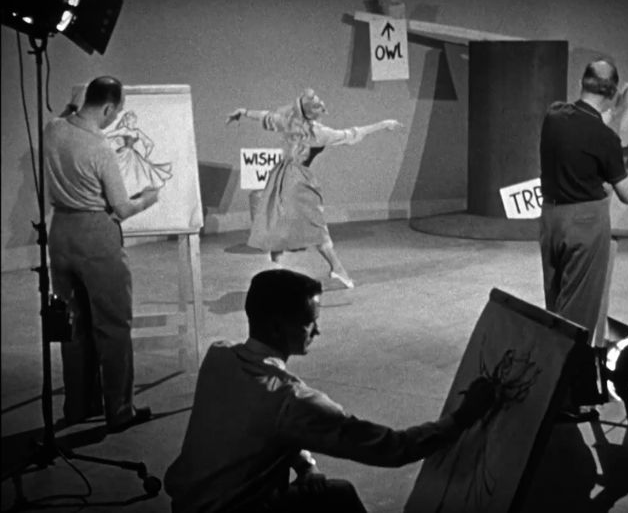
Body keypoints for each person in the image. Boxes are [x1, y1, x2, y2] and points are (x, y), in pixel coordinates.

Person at [164, 269, 499, 512]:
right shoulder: (291, 400)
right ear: (279, 327)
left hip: (188, 504)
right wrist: (461, 418)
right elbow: (392, 448)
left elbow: (251, 425)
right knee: (338, 499)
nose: (318, 331)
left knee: (335, 495)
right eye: (309, 322)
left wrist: (304, 463)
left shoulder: (219, 356)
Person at [45, 76, 159, 432]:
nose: (116, 118)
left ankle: (78, 406)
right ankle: (119, 410)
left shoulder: (53, 129)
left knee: (72, 324)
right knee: (113, 325)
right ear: (108, 108)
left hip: (60, 233)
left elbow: (66, 115)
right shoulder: (100, 149)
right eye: (117, 112)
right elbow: (122, 208)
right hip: (96, 235)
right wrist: (148, 198)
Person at [538, 59, 628, 416]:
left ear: (583, 83)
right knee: (577, 315)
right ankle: (563, 399)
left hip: (551, 219)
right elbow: (627, 193)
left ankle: (547, 383)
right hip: (585, 223)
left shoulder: (554, 116)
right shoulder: (605, 139)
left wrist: (613, 113)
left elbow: (586, 136)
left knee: (556, 306)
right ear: (612, 91)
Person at [226, 89, 404, 289]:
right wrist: (383, 124)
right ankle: (337, 268)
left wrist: (243, 111)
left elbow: (265, 116)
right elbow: (352, 134)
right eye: (318, 104)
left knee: (280, 220)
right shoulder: (318, 133)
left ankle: (276, 265)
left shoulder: (289, 122)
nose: (321, 104)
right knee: (316, 226)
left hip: (281, 175)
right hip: (297, 181)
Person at [105, 110, 173, 198]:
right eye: (132, 122)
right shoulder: (124, 130)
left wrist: (147, 154)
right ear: (127, 121)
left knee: (142, 170)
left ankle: (130, 193)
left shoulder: (137, 132)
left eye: (134, 122)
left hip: (133, 154)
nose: (133, 123)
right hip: (123, 153)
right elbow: (108, 135)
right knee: (120, 171)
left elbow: (149, 143)